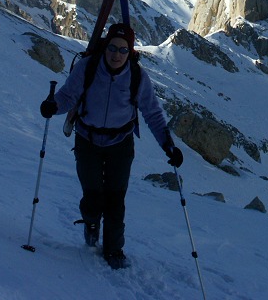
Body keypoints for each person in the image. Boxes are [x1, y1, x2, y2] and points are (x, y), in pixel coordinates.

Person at [39, 23, 183, 269]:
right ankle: (91, 225)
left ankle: (114, 250)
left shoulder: (137, 77)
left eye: (123, 50)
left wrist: (168, 146)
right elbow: (67, 96)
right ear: (105, 47)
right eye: (113, 48)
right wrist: (53, 107)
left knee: (116, 200)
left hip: (120, 143)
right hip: (87, 140)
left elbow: (153, 114)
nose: (117, 54)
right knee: (93, 196)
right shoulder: (88, 67)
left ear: (130, 52)